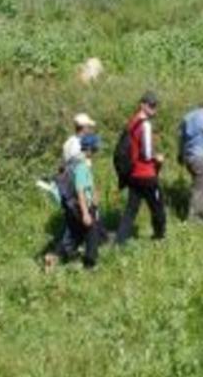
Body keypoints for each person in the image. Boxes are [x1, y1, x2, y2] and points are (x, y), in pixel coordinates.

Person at [44, 134, 103, 272]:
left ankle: (53, 257)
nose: (97, 150)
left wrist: (93, 195)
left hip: (72, 206)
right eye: (95, 148)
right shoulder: (82, 166)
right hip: (81, 207)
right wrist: (86, 213)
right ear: (90, 149)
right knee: (92, 233)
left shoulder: (75, 162)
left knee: (75, 237)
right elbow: (80, 191)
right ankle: (90, 265)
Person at [116, 92, 167, 244]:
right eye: (151, 106)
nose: (154, 109)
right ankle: (160, 237)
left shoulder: (132, 121)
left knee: (131, 209)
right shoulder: (145, 124)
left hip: (133, 174)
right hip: (146, 174)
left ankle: (120, 240)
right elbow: (146, 153)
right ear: (142, 105)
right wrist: (157, 157)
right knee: (158, 206)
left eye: (155, 106)